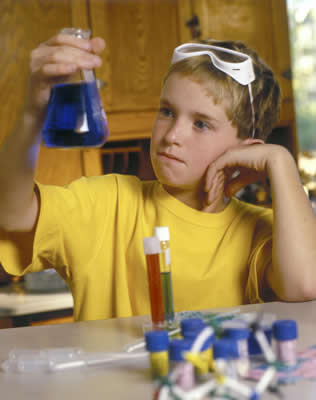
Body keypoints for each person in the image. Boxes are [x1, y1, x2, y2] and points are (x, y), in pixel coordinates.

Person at [0, 32, 316, 322]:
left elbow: (303, 284)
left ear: (247, 151)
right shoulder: (108, 204)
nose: (172, 135)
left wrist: (281, 161)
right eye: (167, 111)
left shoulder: (263, 232)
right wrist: (32, 113)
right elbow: (11, 216)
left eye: (201, 124)